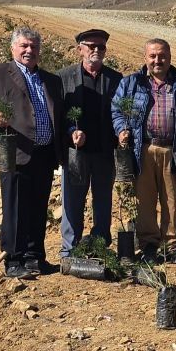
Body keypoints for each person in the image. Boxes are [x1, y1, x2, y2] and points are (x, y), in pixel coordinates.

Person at [0, 28, 64, 278]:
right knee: (14, 207)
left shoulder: (51, 79)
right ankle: (13, 260)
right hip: (13, 152)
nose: (29, 51)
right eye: (24, 46)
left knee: (38, 205)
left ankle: (35, 257)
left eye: (33, 46)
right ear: (13, 48)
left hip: (44, 153)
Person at [112, 38, 176, 265]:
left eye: (162, 56)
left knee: (172, 200)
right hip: (143, 148)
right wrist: (122, 129)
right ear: (145, 58)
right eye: (152, 56)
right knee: (145, 199)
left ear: (170, 57)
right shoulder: (131, 83)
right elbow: (116, 110)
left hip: (173, 150)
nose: (157, 60)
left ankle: (172, 245)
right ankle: (149, 245)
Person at [57, 29, 122, 258]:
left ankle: (99, 245)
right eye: (91, 46)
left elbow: (121, 112)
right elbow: (59, 113)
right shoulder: (63, 77)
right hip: (76, 152)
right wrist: (71, 130)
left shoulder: (116, 79)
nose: (96, 50)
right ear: (79, 49)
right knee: (72, 201)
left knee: (103, 200)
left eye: (101, 46)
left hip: (105, 151)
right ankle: (70, 249)